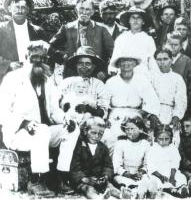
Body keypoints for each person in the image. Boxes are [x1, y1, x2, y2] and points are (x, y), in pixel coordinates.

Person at [0, 41, 66, 197]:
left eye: (42, 58)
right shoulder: (12, 78)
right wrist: (23, 123)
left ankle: (63, 176)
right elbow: (2, 110)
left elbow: (55, 110)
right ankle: (36, 181)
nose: (38, 61)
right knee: (41, 130)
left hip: (42, 132)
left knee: (70, 131)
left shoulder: (47, 80)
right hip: (18, 133)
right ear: (26, 57)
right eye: (34, 57)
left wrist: (66, 120)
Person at [56, 46, 110, 177]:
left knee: (108, 136)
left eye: (88, 63)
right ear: (75, 65)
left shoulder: (99, 84)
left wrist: (89, 109)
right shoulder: (66, 82)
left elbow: (104, 111)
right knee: (69, 135)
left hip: (92, 122)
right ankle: (65, 177)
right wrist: (67, 111)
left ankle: (103, 174)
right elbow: (55, 105)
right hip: (68, 121)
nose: (84, 67)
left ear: (93, 66)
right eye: (80, 63)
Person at [103, 45, 160, 154]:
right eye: (123, 61)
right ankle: (115, 167)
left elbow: (152, 101)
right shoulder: (111, 82)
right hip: (115, 117)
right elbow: (105, 102)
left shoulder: (142, 80)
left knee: (137, 140)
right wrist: (105, 118)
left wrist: (150, 116)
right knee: (112, 139)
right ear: (118, 64)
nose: (126, 64)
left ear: (134, 63)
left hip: (136, 116)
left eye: (129, 60)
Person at [49, 0, 114, 80]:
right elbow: (50, 47)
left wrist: (104, 70)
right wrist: (63, 57)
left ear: (93, 12)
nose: (84, 12)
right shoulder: (67, 28)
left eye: (88, 9)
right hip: (72, 74)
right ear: (76, 10)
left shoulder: (101, 29)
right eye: (81, 8)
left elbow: (113, 53)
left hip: (96, 74)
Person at [70, 117, 121, 199]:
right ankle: (98, 198)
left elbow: (108, 166)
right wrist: (85, 179)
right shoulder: (79, 147)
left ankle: (123, 195)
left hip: (99, 180)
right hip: (84, 181)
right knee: (88, 189)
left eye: (100, 134)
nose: (97, 136)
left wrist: (106, 176)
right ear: (85, 131)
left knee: (110, 186)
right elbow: (75, 168)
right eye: (94, 133)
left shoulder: (103, 147)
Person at [0, 0, 46, 83]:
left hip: (33, 77)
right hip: (7, 78)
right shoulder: (1, 29)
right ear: (9, 9)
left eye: (23, 7)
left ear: (28, 10)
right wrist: (8, 65)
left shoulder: (38, 31)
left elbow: (46, 55)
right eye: (16, 7)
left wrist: (39, 69)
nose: (19, 10)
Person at [113, 116, 158, 199]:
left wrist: (141, 171)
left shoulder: (145, 144)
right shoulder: (120, 143)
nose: (130, 132)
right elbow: (116, 164)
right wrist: (127, 174)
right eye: (127, 129)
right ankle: (132, 191)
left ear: (140, 129)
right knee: (120, 181)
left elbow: (147, 163)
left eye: (133, 129)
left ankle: (144, 191)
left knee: (148, 180)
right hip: (124, 174)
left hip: (139, 174)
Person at [110, 7, 157, 76]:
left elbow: (152, 61)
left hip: (142, 74)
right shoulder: (122, 38)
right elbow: (115, 57)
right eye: (133, 17)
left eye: (139, 18)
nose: (135, 20)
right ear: (129, 21)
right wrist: (113, 71)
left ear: (143, 22)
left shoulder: (148, 39)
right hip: (124, 74)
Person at [146, 125, 190, 197]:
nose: (164, 141)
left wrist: (172, 176)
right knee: (155, 181)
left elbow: (175, 162)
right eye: (161, 139)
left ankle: (182, 188)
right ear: (156, 139)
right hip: (157, 173)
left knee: (181, 177)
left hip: (171, 172)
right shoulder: (152, 149)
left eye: (166, 139)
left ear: (171, 139)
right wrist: (160, 176)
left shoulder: (173, 148)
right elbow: (150, 165)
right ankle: (170, 189)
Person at [151, 49, 187, 128]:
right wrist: (151, 114)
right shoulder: (151, 77)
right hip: (153, 114)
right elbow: (147, 98)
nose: (162, 62)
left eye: (165, 59)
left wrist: (176, 116)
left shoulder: (177, 78)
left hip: (170, 113)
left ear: (171, 60)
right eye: (159, 59)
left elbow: (181, 100)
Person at [165, 31, 191, 102]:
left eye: (175, 45)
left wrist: (187, 97)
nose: (172, 47)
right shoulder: (162, 58)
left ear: (181, 46)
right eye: (170, 44)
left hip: (180, 97)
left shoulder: (186, 60)